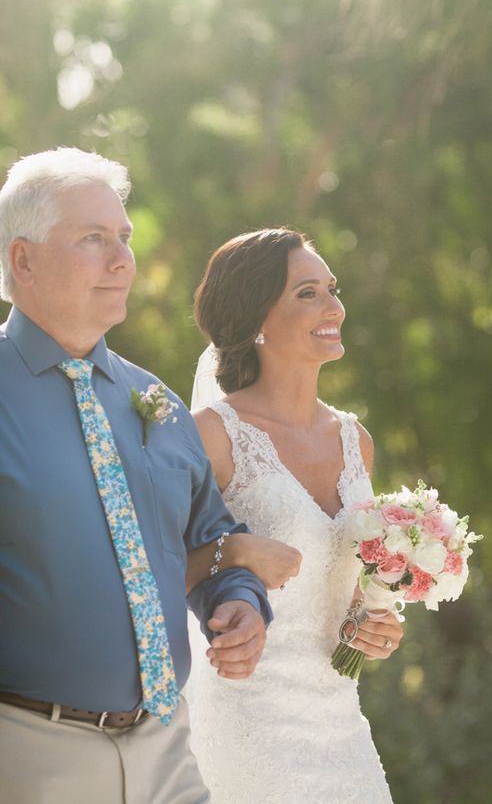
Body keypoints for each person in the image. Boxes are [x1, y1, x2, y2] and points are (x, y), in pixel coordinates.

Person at [0, 148, 272, 804]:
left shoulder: (158, 402)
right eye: (93, 238)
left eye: (123, 237)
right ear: (23, 260)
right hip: (28, 755)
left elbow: (212, 537)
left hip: (168, 749)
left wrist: (238, 598)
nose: (124, 259)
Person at [186, 228, 403, 804]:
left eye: (332, 289)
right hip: (249, 718)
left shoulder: (356, 440)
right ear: (255, 317)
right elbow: (155, 561)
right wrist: (234, 552)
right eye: (308, 293)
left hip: (341, 724)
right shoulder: (212, 435)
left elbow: (344, 587)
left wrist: (371, 624)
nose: (335, 307)